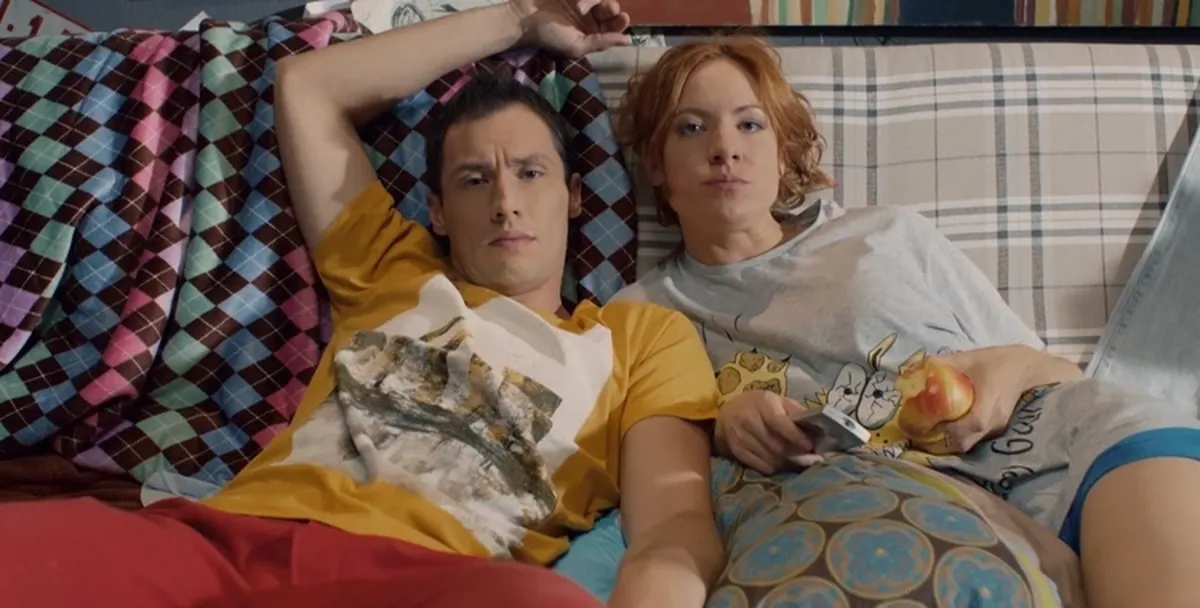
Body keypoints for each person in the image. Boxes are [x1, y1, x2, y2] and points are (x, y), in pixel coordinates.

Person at [0, 2, 727, 607]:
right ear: (437, 211)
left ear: (573, 196)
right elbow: (308, 86)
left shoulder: (637, 335)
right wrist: (519, 17)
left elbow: (672, 526)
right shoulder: (392, 268)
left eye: (530, 173)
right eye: (475, 179)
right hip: (231, 542)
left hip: (432, 576)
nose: (506, 202)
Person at [612, 35, 1200, 608]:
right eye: (691, 128)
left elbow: (1053, 369)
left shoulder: (886, 235)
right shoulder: (641, 315)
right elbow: (660, 470)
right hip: (895, 508)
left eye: (750, 124)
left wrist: (1003, 373)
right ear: (656, 164)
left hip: (1066, 440)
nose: (724, 148)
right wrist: (722, 427)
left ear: (783, 151)